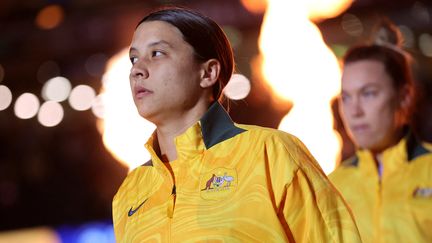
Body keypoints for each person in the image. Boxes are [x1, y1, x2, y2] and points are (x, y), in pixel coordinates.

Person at [112, 7, 360, 242]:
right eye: (134, 59)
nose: (137, 70)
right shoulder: (131, 190)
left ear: (208, 73)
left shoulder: (271, 154)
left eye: (157, 53)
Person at [329, 20, 432, 243]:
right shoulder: (332, 186)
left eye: (368, 93)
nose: (354, 111)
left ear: (404, 96)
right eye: (345, 97)